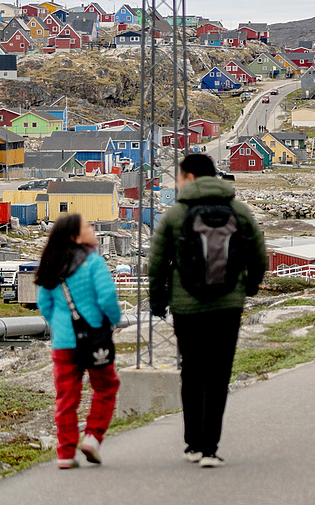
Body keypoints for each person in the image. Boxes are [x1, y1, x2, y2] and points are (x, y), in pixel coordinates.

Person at [149, 154, 267, 468]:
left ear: (189, 177)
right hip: (227, 306)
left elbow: (157, 262)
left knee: (192, 371)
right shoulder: (239, 210)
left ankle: (193, 444)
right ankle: (210, 449)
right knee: (218, 374)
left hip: (187, 308)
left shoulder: (175, 214)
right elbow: (259, 255)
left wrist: (158, 301)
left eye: (179, 177)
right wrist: (248, 287)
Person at [36, 214, 123, 470]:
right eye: (87, 226)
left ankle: (65, 453)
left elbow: (44, 304)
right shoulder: (93, 262)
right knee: (106, 387)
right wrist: (111, 322)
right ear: (76, 237)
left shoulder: (51, 263)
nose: (92, 228)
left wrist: (61, 325)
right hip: (94, 338)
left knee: (66, 397)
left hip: (64, 343)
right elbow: (107, 297)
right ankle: (93, 437)